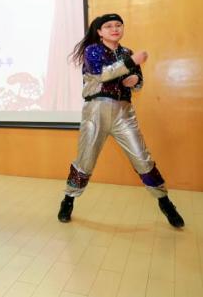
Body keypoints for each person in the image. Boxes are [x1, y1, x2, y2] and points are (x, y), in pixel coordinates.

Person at [57, 13, 184, 228]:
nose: (115, 29)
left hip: (124, 112)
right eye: (108, 26)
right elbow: (102, 74)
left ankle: (165, 202)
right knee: (85, 160)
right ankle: (68, 200)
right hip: (96, 111)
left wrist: (135, 80)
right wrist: (131, 62)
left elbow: (138, 83)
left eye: (118, 25)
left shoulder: (127, 53)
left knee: (142, 159)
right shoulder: (93, 50)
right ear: (100, 31)